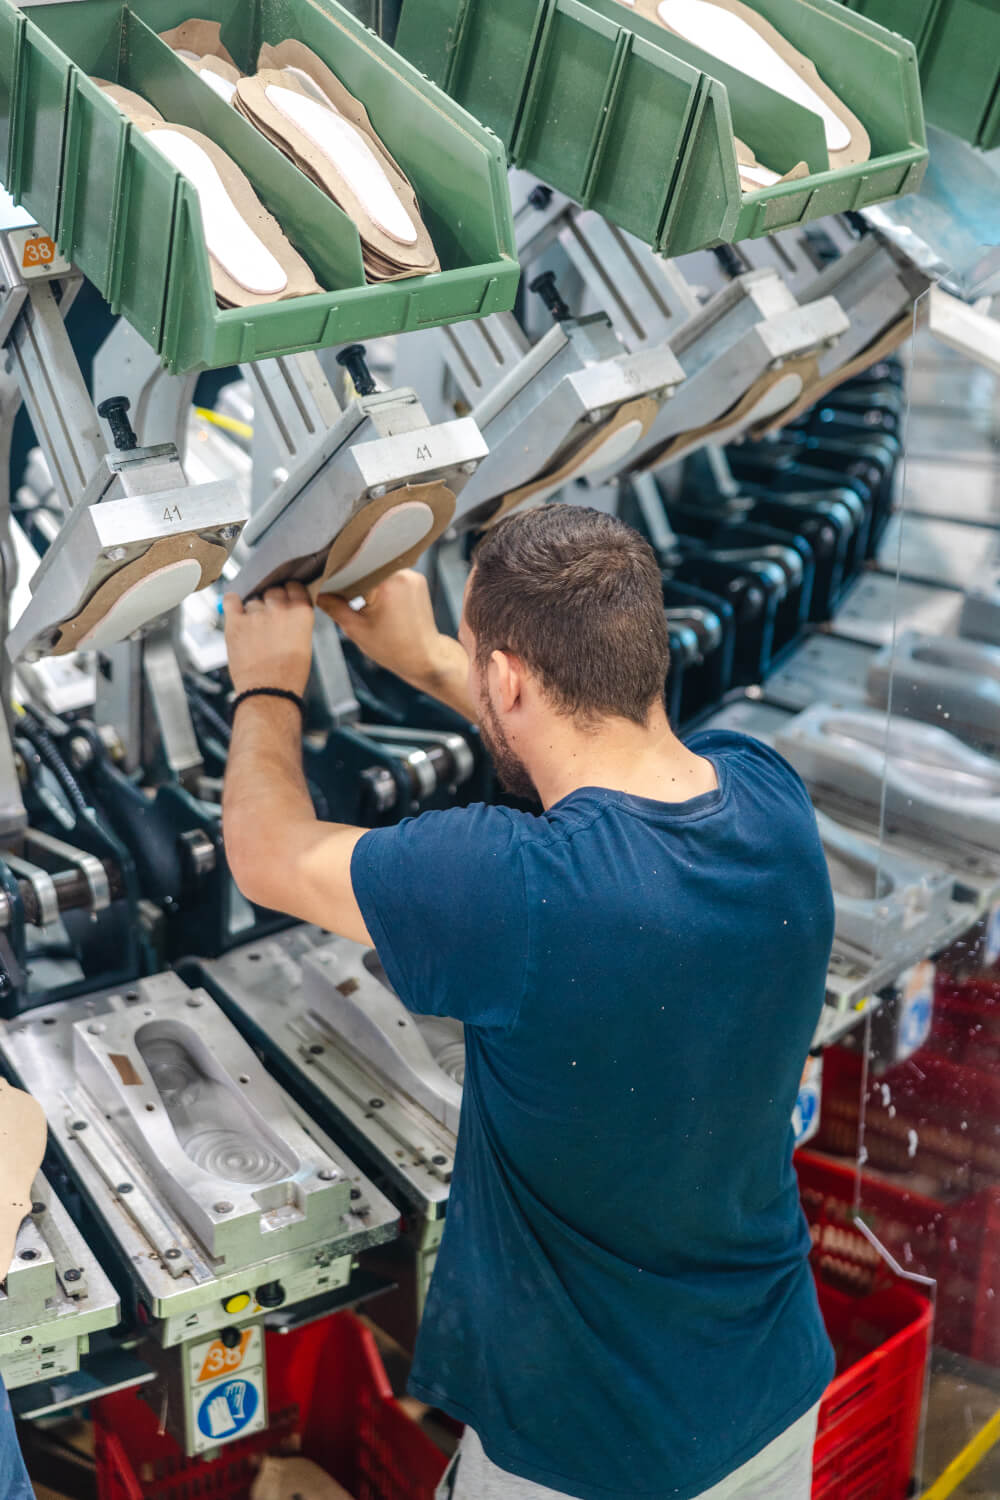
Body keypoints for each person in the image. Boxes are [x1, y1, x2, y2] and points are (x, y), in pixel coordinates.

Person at [222, 504, 835, 1500]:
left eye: (478, 666)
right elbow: (596, 751)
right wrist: (430, 656)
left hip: (588, 1452)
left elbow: (263, 853)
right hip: (770, 1391)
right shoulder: (768, 796)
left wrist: (266, 682)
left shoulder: (516, 887)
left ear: (504, 680)